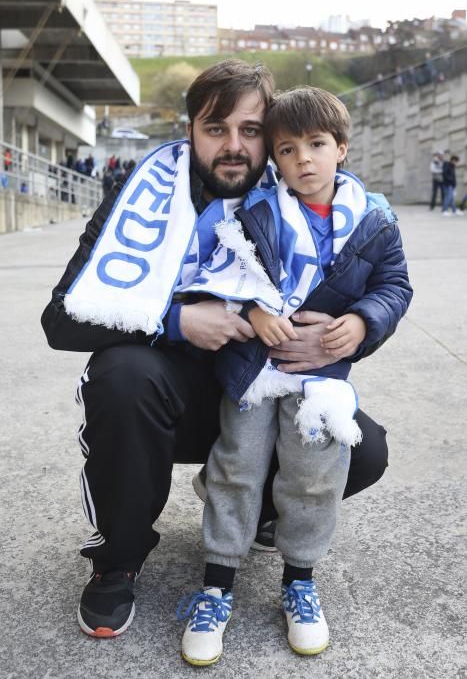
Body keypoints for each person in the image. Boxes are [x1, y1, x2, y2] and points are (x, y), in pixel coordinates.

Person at [41, 60, 390, 640]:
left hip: (257, 396)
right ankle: (117, 560)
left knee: (365, 447)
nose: (234, 146)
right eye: (215, 128)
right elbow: (62, 320)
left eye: (250, 130)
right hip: (166, 400)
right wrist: (175, 320)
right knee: (122, 375)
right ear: (189, 131)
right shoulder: (138, 198)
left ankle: (255, 510)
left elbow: (376, 281)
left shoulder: (297, 201)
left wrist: (358, 322)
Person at [176, 86, 412, 665]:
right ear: (273, 160)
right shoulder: (251, 210)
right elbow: (213, 270)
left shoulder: (375, 220)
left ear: (343, 148)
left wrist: (361, 321)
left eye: (316, 144)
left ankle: (299, 580)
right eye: (286, 149)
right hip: (256, 368)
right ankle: (217, 585)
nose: (302, 159)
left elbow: (394, 286)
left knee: (314, 471)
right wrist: (251, 311)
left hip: (321, 377)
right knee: (238, 464)